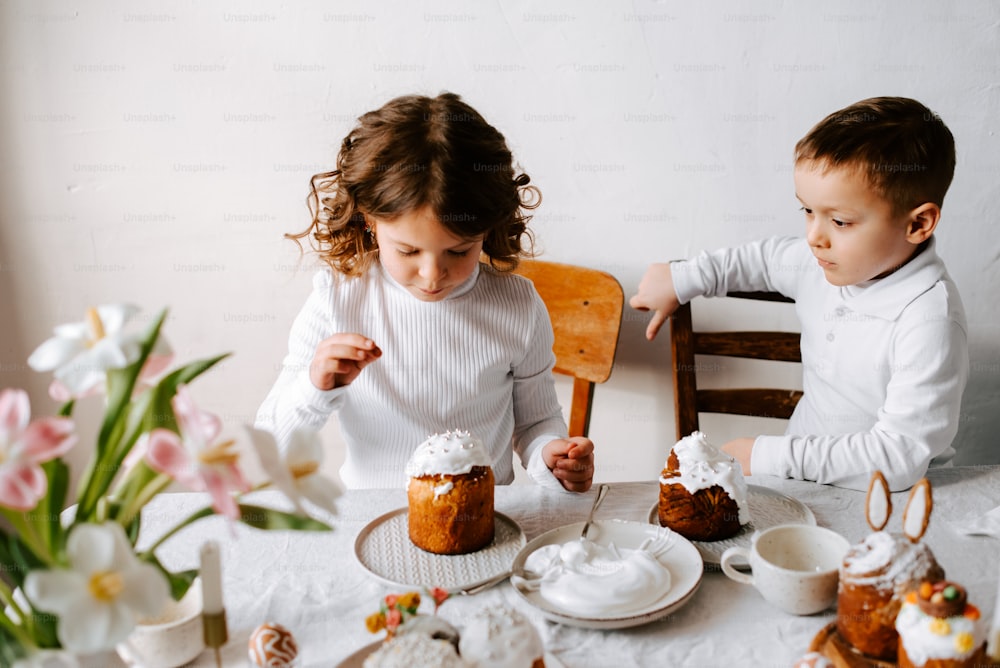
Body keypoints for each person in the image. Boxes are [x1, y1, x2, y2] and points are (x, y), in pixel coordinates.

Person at [255, 92, 594, 492]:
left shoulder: (517, 305)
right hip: (373, 517)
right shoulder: (337, 300)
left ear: (487, 229)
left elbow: (537, 422)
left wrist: (550, 456)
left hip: (482, 519)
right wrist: (315, 388)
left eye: (458, 250)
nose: (433, 275)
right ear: (369, 221)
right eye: (408, 250)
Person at [630, 96, 968, 492]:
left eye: (840, 221)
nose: (813, 237)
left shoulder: (929, 321)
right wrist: (683, 277)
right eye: (807, 211)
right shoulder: (821, 261)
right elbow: (764, 258)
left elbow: (898, 457)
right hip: (807, 484)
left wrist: (765, 455)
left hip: (898, 501)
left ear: (918, 223)